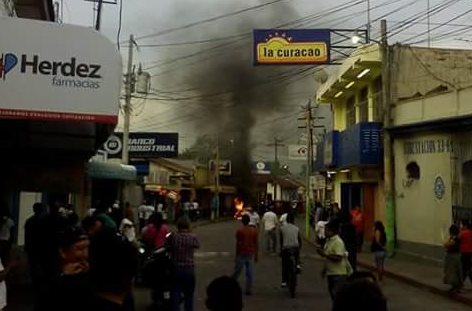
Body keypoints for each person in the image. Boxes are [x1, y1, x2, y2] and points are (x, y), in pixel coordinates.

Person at [36, 226, 92, 311]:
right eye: (80, 249)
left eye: (87, 248)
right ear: (62, 252)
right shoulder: (50, 275)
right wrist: (64, 277)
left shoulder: (84, 272)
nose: (85, 254)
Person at [169, 216, 200, 311]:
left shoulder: (174, 237)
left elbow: (168, 246)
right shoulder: (193, 237)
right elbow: (197, 245)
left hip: (177, 268)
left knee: (175, 294)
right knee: (189, 297)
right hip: (189, 269)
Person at [317, 220, 352, 300]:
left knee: (338, 297)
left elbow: (338, 258)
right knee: (334, 296)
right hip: (331, 273)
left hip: (339, 274)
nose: (324, 232)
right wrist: (324, 270)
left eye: (326, 230)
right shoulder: (328, 241)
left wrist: (325, 254)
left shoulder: (338, 242)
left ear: (331, 231)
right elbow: (327, 258)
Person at [232, 214, 258, 295]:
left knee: (237, 271)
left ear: (242, 221)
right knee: (249, 273)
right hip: (250, 253)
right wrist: (256, 255)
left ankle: (231, 285)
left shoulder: (240, 231)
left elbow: (238, 243)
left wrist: (236, 255)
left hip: (241, 253)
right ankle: (248, 289)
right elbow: (256, 243)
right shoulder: (254, 231)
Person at [24, 202, 46, 290]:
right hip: (41, 246)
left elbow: (27, 235)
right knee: (41, 264)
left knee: (33, 265)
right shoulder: (44, 221)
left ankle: (35, 281)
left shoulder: (30, 221)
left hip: (32, 245)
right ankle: (40, 282)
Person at [279, 213, 301, 288]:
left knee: (284, 264)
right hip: (295, 248)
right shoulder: (296, 228)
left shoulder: (282, 228)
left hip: (286, 248)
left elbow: (281, 241)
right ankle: (298, 265)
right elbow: (299, 240)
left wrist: (281, 249)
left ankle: (284, 281)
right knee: (297, 255)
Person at [443, 224, 463, 293]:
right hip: (453, 256)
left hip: (454, 256)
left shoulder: (456, 238)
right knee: (454, 272)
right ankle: (456, 286)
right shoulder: (454, 237)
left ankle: (456, 286)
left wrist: (447, 242)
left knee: (454, 272)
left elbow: (447, 244)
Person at [459, 219, 472, 284]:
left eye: (462, 225)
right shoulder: (470, 232)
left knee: (464, 268)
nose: (461, 226)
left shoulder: (462, 233)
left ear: (465, 226)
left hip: (464, 252)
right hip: (470, 252)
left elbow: (457, 240)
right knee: (468, 267)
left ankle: (460, 283)